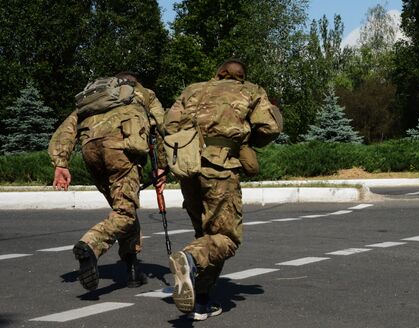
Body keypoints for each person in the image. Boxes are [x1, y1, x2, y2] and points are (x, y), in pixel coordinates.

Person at [163, 59, 282, 320]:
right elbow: (271, 126)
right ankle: (190, 259)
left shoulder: (192, 89)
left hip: (188, 167)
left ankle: (201, 300)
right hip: (220, 167)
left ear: (218, 73)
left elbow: (168, 127)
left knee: (205, 234)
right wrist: (248, 141)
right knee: (226, 238)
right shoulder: (251, 90)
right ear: (241, 77)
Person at [48, 72, 167, 291]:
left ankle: (132, 269)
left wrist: (61, 163)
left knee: (122, 209)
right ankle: (90, 245)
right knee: (125, 213)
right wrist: (162, 164)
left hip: (91, 150)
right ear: (134, 82)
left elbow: (68, 127)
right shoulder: (144, 93)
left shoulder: (96, 97)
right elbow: (161, 125)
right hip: (121, 150)